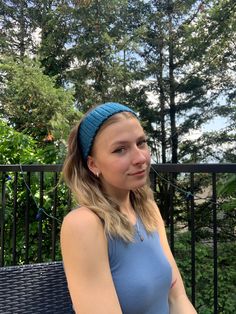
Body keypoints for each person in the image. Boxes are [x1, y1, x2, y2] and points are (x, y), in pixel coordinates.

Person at [60, 102, 197, 314]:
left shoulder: (147, 209)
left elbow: (177, 298)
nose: (141, 158)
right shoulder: (84, 225)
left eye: (141, 143)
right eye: (120, 149)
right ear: (93, 164)